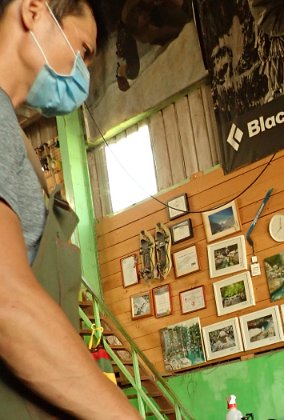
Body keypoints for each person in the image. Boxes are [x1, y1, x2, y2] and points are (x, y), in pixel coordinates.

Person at [0, 0, 140, 418]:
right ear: (33, 11)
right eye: (83, 50)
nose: (83, 72)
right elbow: (7, 302)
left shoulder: (13, 136)